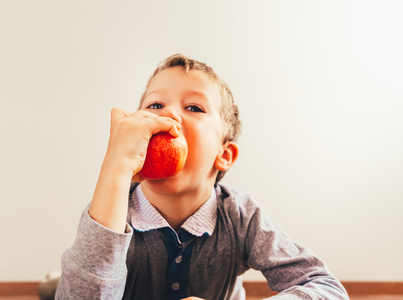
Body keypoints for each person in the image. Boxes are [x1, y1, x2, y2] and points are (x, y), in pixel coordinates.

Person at [54, 54, 349, 300]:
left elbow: (327, 288)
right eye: (155, 105)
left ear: (224, 154)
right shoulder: (111, 212)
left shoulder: (239, 215)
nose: (167, 115)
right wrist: (115, 168)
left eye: (193, 107)